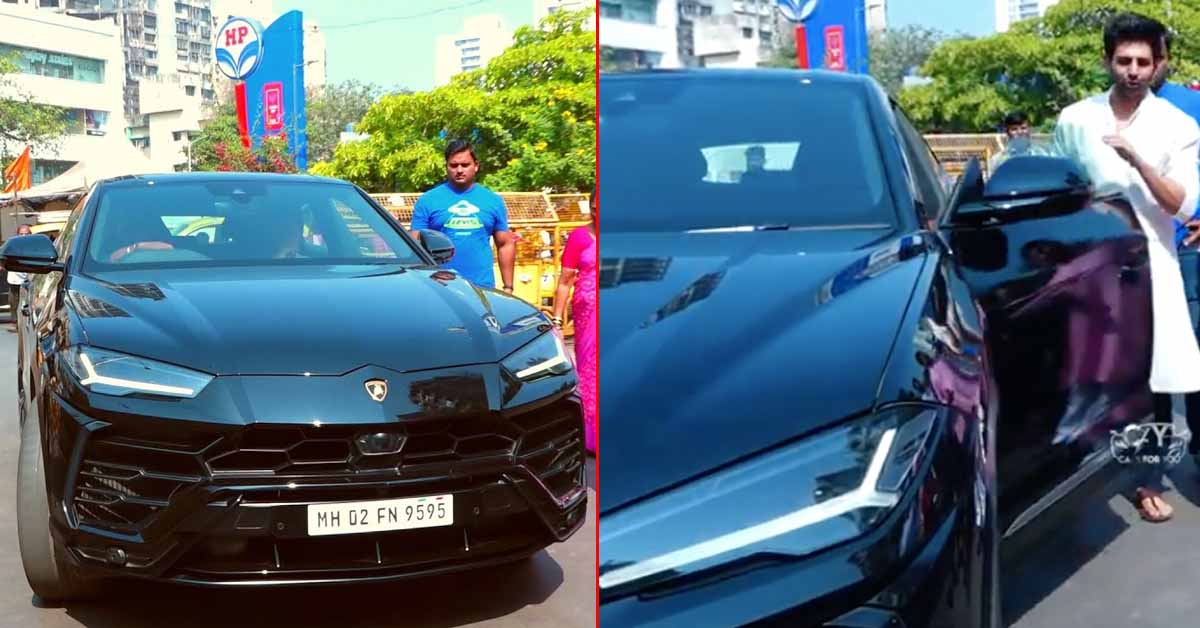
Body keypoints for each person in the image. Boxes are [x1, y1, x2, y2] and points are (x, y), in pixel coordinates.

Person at [1054, 12, 1200, 523]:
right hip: (1092, 272)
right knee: (1109, 378)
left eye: (1143, 61)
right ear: (1107, 60)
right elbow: (1060, 193)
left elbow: (1181, 205)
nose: (1133, 70)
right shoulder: (1075, 119)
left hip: (1154, 269)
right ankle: (1122, 477)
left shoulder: (1178, 126)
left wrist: (1139, 160)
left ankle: (1163, 472)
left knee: (1161, 378)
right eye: (1124, 60)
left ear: (1159, 64)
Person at [411, 140, 516, 292]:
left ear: (476, 166)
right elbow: (415, 246)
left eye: (465, 165)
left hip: (482, 288)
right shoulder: (428, 201)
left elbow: (505, 244)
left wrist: (508, 287)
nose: (459, 170)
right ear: (446, 167)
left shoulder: (492, 200)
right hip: (440, 288)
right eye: (453, 165)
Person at [552, 188, 597, 454]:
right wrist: (557, 322)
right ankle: (591, 436)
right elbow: (564, 282)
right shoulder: (580, 237)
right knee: (590, 369)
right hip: (588, 312)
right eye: (594, 205)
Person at [6, 223, 31, 330]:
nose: (24, 236)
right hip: (14, 280)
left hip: (28, 280)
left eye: (26, 234)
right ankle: (14, 321)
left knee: (28, 303)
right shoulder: (11, 245)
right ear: (17, 235)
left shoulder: (34, 247)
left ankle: (27, 324)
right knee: (13, 301)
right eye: (21, 234)